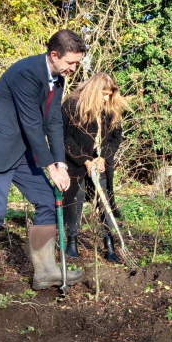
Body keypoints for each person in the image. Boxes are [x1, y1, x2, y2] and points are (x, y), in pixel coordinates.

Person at [0, 30, 87, 298]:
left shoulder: (57, 76)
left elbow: (53, 122)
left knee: (46, 199)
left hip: (19, 149)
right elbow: (32, 123)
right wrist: (49, 167)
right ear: (54, 55)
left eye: (76, 63)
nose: (73, 68)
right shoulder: (26, 74)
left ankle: (46, 271)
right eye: (70, 62)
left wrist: (60, 163)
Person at [61, 72, 126, 262]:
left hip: (100, 164)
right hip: (75, 163)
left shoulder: (110, 109)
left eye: (109, 94)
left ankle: (110, 244)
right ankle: (71, 241)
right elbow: (64, 137)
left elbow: (115, 137)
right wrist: (85, 160)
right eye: (103, 93)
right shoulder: (73, 105)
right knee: (76, 199)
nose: (106, 98)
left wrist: (103, 158)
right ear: (94, 90)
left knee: (104, 199)